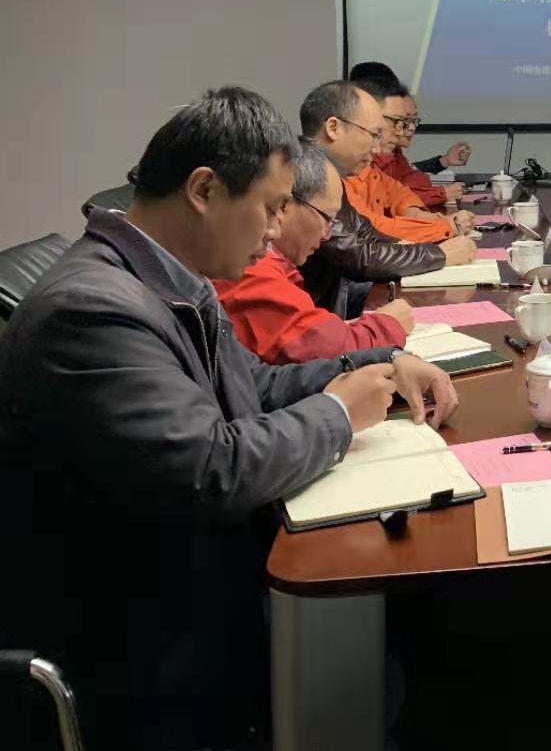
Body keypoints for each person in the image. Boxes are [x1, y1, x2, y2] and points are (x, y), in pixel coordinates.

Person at [0, 87, 459, 750]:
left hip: (197, 584)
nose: (274, 230)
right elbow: (210, 470)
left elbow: (257, 385)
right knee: (363, 669)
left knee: (387, 660)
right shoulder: (92, 310)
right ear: (205, 190)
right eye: (269, 208)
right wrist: (337, 413)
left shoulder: (168, 277)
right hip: (146, 640)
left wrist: (383, 365)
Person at [215, 141, 415, 363]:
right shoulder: (248, 266)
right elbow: (315, 348)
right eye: (327, 218)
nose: (327, 235)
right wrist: (387, 324)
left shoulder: (271, 263)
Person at [299, 80, 475, 316]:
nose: (376, 148)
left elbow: (367, 232)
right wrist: (440, 255)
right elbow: (359, 256)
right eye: (372, 135)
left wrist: (423, 249)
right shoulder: (307, 172)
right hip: (313, 319)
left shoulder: (326, 168)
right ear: (333, 128)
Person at [344, 78, 474, 243]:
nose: (403, 130)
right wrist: (446, 226)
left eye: (409, 121)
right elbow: (370, 228)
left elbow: (399, 193)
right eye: (397, 121)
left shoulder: (366, 165)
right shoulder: (333, 172)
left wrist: (417, 213)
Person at [349, 60, 470, 174]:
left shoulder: (393, 154)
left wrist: (444, 161)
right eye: (398, 119)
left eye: (411, 119)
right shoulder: (352, 158)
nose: (409, 127)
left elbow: (405, 176)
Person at [378, 86, 464, 208]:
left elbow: (418, 181)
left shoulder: (395, 152)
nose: (411, 128)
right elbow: (388, 201)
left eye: (413, 120)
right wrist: (440, 194)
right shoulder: (365, 159)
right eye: (402, 120)